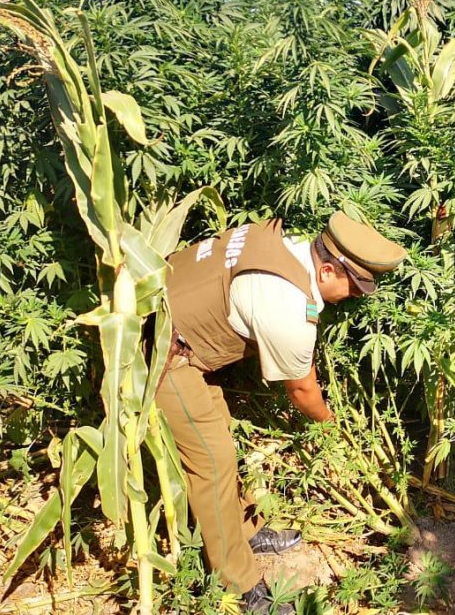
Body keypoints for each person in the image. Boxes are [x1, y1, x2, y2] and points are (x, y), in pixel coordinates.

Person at [157, 212, 406, 613]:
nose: (356, 296)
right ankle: (239, 582)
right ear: (327, 269)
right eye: (355, 287)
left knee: (219, 438)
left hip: (177, 332)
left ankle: (242, 532)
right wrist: (329, 423)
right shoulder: (289, 308)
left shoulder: (276, 246)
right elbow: (302, 388)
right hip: (157, 353)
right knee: (213, 463)